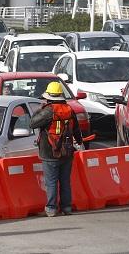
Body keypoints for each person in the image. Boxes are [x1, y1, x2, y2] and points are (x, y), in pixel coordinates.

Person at [30, 81, 84, 217]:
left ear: (48, 97)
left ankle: (51, 208)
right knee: (65, 181)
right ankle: (67, 207)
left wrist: (41, 108)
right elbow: (76, 130)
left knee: (51, 182)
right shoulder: (69, 109)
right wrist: (79, 142)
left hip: (50, 152)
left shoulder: (48, 111)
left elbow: (32, 123)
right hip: (67, 151)